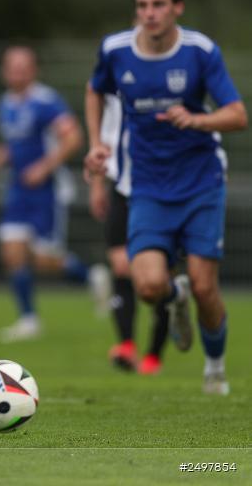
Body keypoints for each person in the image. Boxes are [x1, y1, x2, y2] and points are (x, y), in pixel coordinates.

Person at [85, 0, 247, 395]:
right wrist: (97, 143)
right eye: (142, 6)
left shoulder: (199, 51)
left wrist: (196, 119)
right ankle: (175, 300)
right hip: (148, 185)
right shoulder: (116, 50)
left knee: (206, 286)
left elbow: (237, 114)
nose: (149, 13)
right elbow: (94, 89)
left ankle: (214, 367)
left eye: (158, 5)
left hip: (200, 183)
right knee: (148, 285)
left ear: (177, 8)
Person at [0, 46, 105, 343]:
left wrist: (44, 168)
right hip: (19, 190)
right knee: (12, 252)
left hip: (47, 191)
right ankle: (29, 319)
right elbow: (10, 143)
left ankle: (90, 277)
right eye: (12, 66)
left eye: (23, 66)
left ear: (34, 70)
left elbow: (73, 137)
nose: (17, 72)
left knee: (44, 259)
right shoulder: (5, 103)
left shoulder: (47, 102)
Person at [88, 95, 169, 374]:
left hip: (162, 188)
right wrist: (98, 185)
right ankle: (126, 345)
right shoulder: (115, 81)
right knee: (121, 265)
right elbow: (104, 142)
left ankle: (154, 354)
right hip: (122, 187)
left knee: (157, 279)